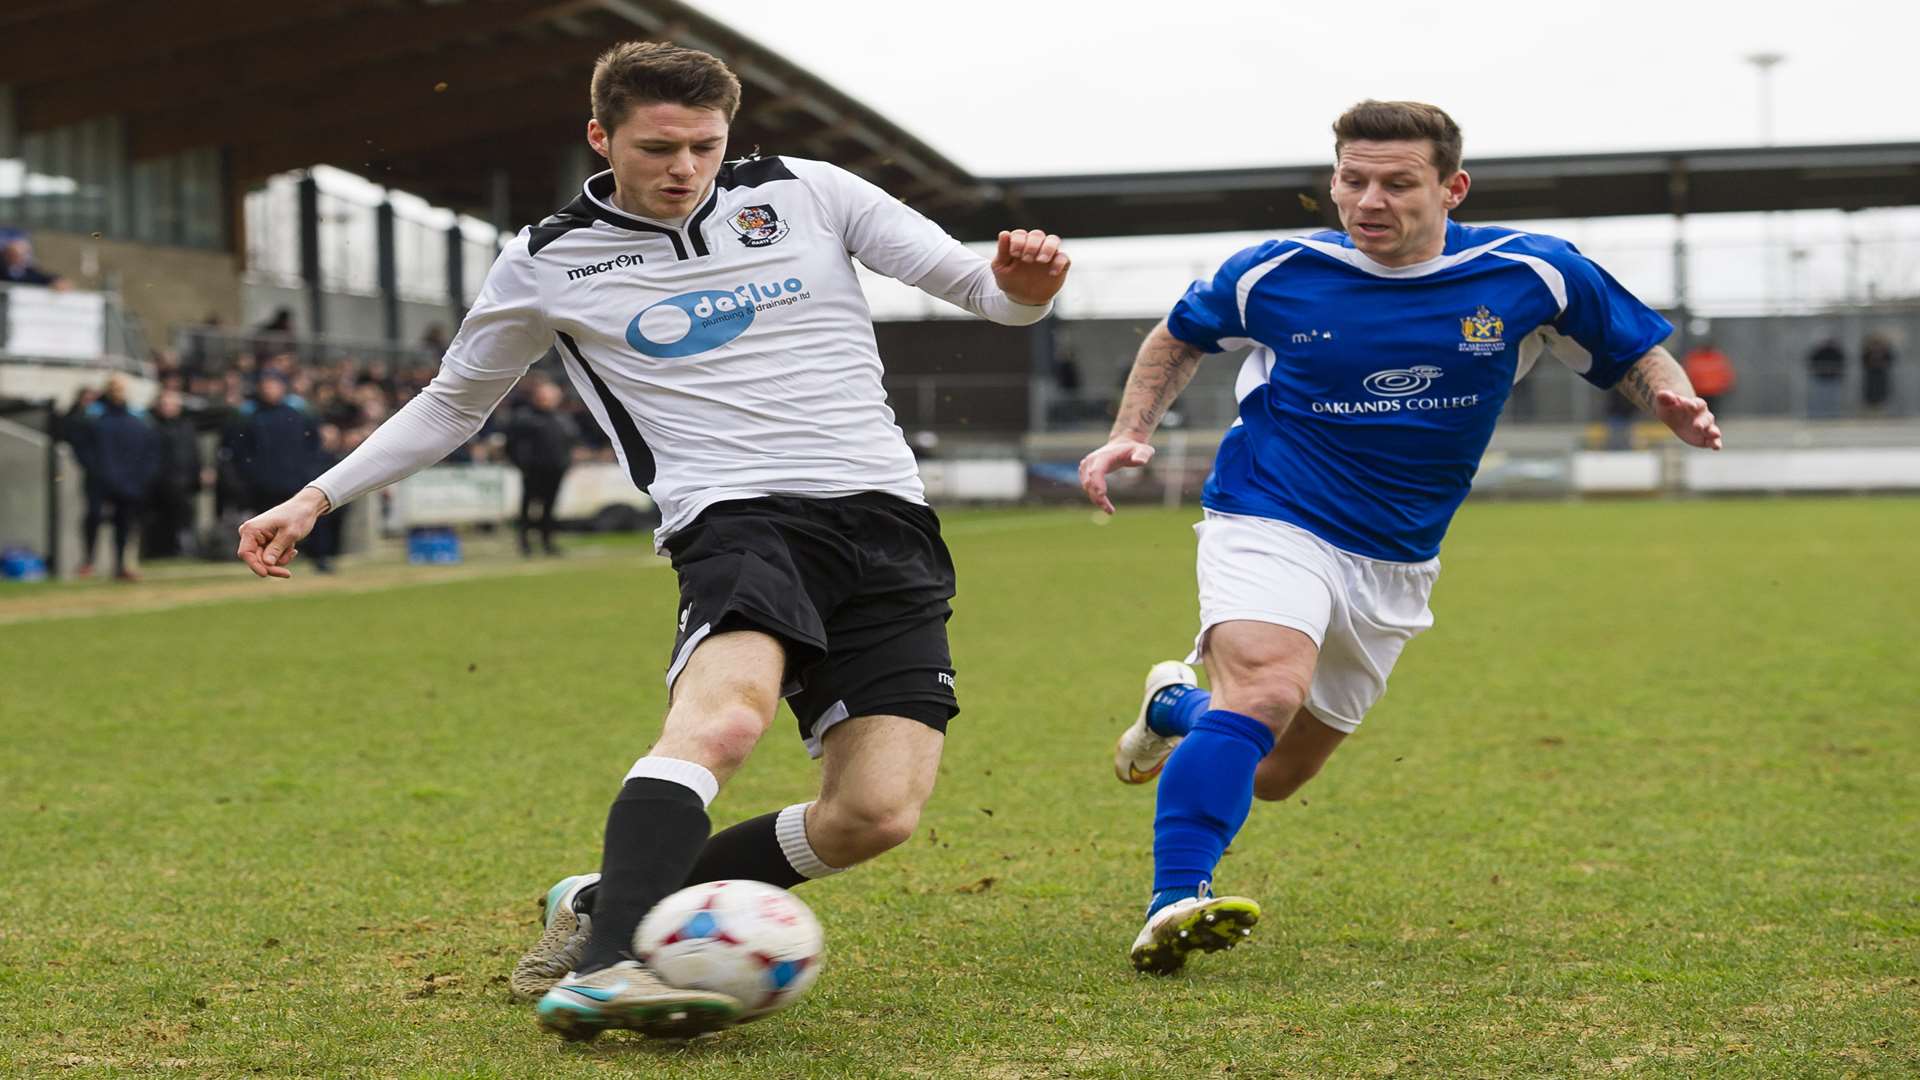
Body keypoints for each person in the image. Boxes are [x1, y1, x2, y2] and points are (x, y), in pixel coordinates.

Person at [233, 41, 1070, 1040]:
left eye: (705, 147)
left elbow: (991, 297)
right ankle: (608, 964)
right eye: (658, 147)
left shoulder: (812, 193)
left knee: (874, 814)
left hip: (888, 523)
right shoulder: (547, 259)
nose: (684, 169)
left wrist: (1026, 282)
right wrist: (317, 498)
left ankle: (604, 900)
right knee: (724, 723)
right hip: (736, 519)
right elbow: (453, 405)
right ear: (602, 138)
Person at [1078, 100, 1721, 976]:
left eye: (1396, 182)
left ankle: (1177, 710)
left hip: (1396, 558)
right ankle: (1173, 901)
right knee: (1264, 690)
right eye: (1352, 180)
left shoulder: (1533, 272)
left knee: (1273, 772)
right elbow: (1179, 336)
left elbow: (1636, 353)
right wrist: (1131, 429)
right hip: (1270, 514)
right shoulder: (1277, 272)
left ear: (1452, 189)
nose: (1368, 200)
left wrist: (1672, 400)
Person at [74, 378, 160, 581]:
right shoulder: (96, 420)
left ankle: (112, 564)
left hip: (118, 481)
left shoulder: (132, 421)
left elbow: (150, 453)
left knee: (119, 523)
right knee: (103, 519)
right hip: (113, 481)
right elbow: (83, 450)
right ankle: (95, 561)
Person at [503, 379, 578, 556]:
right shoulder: (524, 417)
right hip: (533, 470)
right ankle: (525, 544)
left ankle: (547, 542)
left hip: (556, 470)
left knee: (549, 508)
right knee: (528, 507)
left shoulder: (561, 418)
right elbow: (512, 444)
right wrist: (522, 464)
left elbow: (570, 442)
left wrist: (566, 463)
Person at [145, 390, 206, 559]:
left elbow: (194, 453)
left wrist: (199, 472)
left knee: (185, 517)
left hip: (184, 481)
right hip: (161, 482)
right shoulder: (153, 426)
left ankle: (184, 549)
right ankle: (163, 550)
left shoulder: (186, 426)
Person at [1680, 340, 1735, 415]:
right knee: (1707, 410)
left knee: (1706, 410)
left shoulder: (1696, 357)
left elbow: (1725, 373)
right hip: (1707, 390)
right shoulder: (1716, 357)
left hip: (1707, 390)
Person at [2, 236, 71, 290]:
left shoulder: (29, 272)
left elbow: (44, 278)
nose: (19, 258)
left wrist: (57, 281)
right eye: (13, 254)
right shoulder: (3, 269)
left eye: (23, 254)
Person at [1807, 337, 1846, 418]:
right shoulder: (1818, 351)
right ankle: (1816, 416)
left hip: (1833, 379)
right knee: (1819, 399)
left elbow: (1842, 364)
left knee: (1833, 399)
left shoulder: (1836, 352)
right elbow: (1811, 363)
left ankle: (1834, 416)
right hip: (1820, 379)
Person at [1861, 332, 1896, 412]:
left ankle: (1881, 407)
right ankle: (1871, 408)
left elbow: (1890, 360)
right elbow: (1864, 361)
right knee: (1871, 392)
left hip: (1881, 375)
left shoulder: (1885, 351)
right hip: (1871, 375)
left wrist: (1881, 363)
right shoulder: (1867, 351)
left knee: (1882, 392)